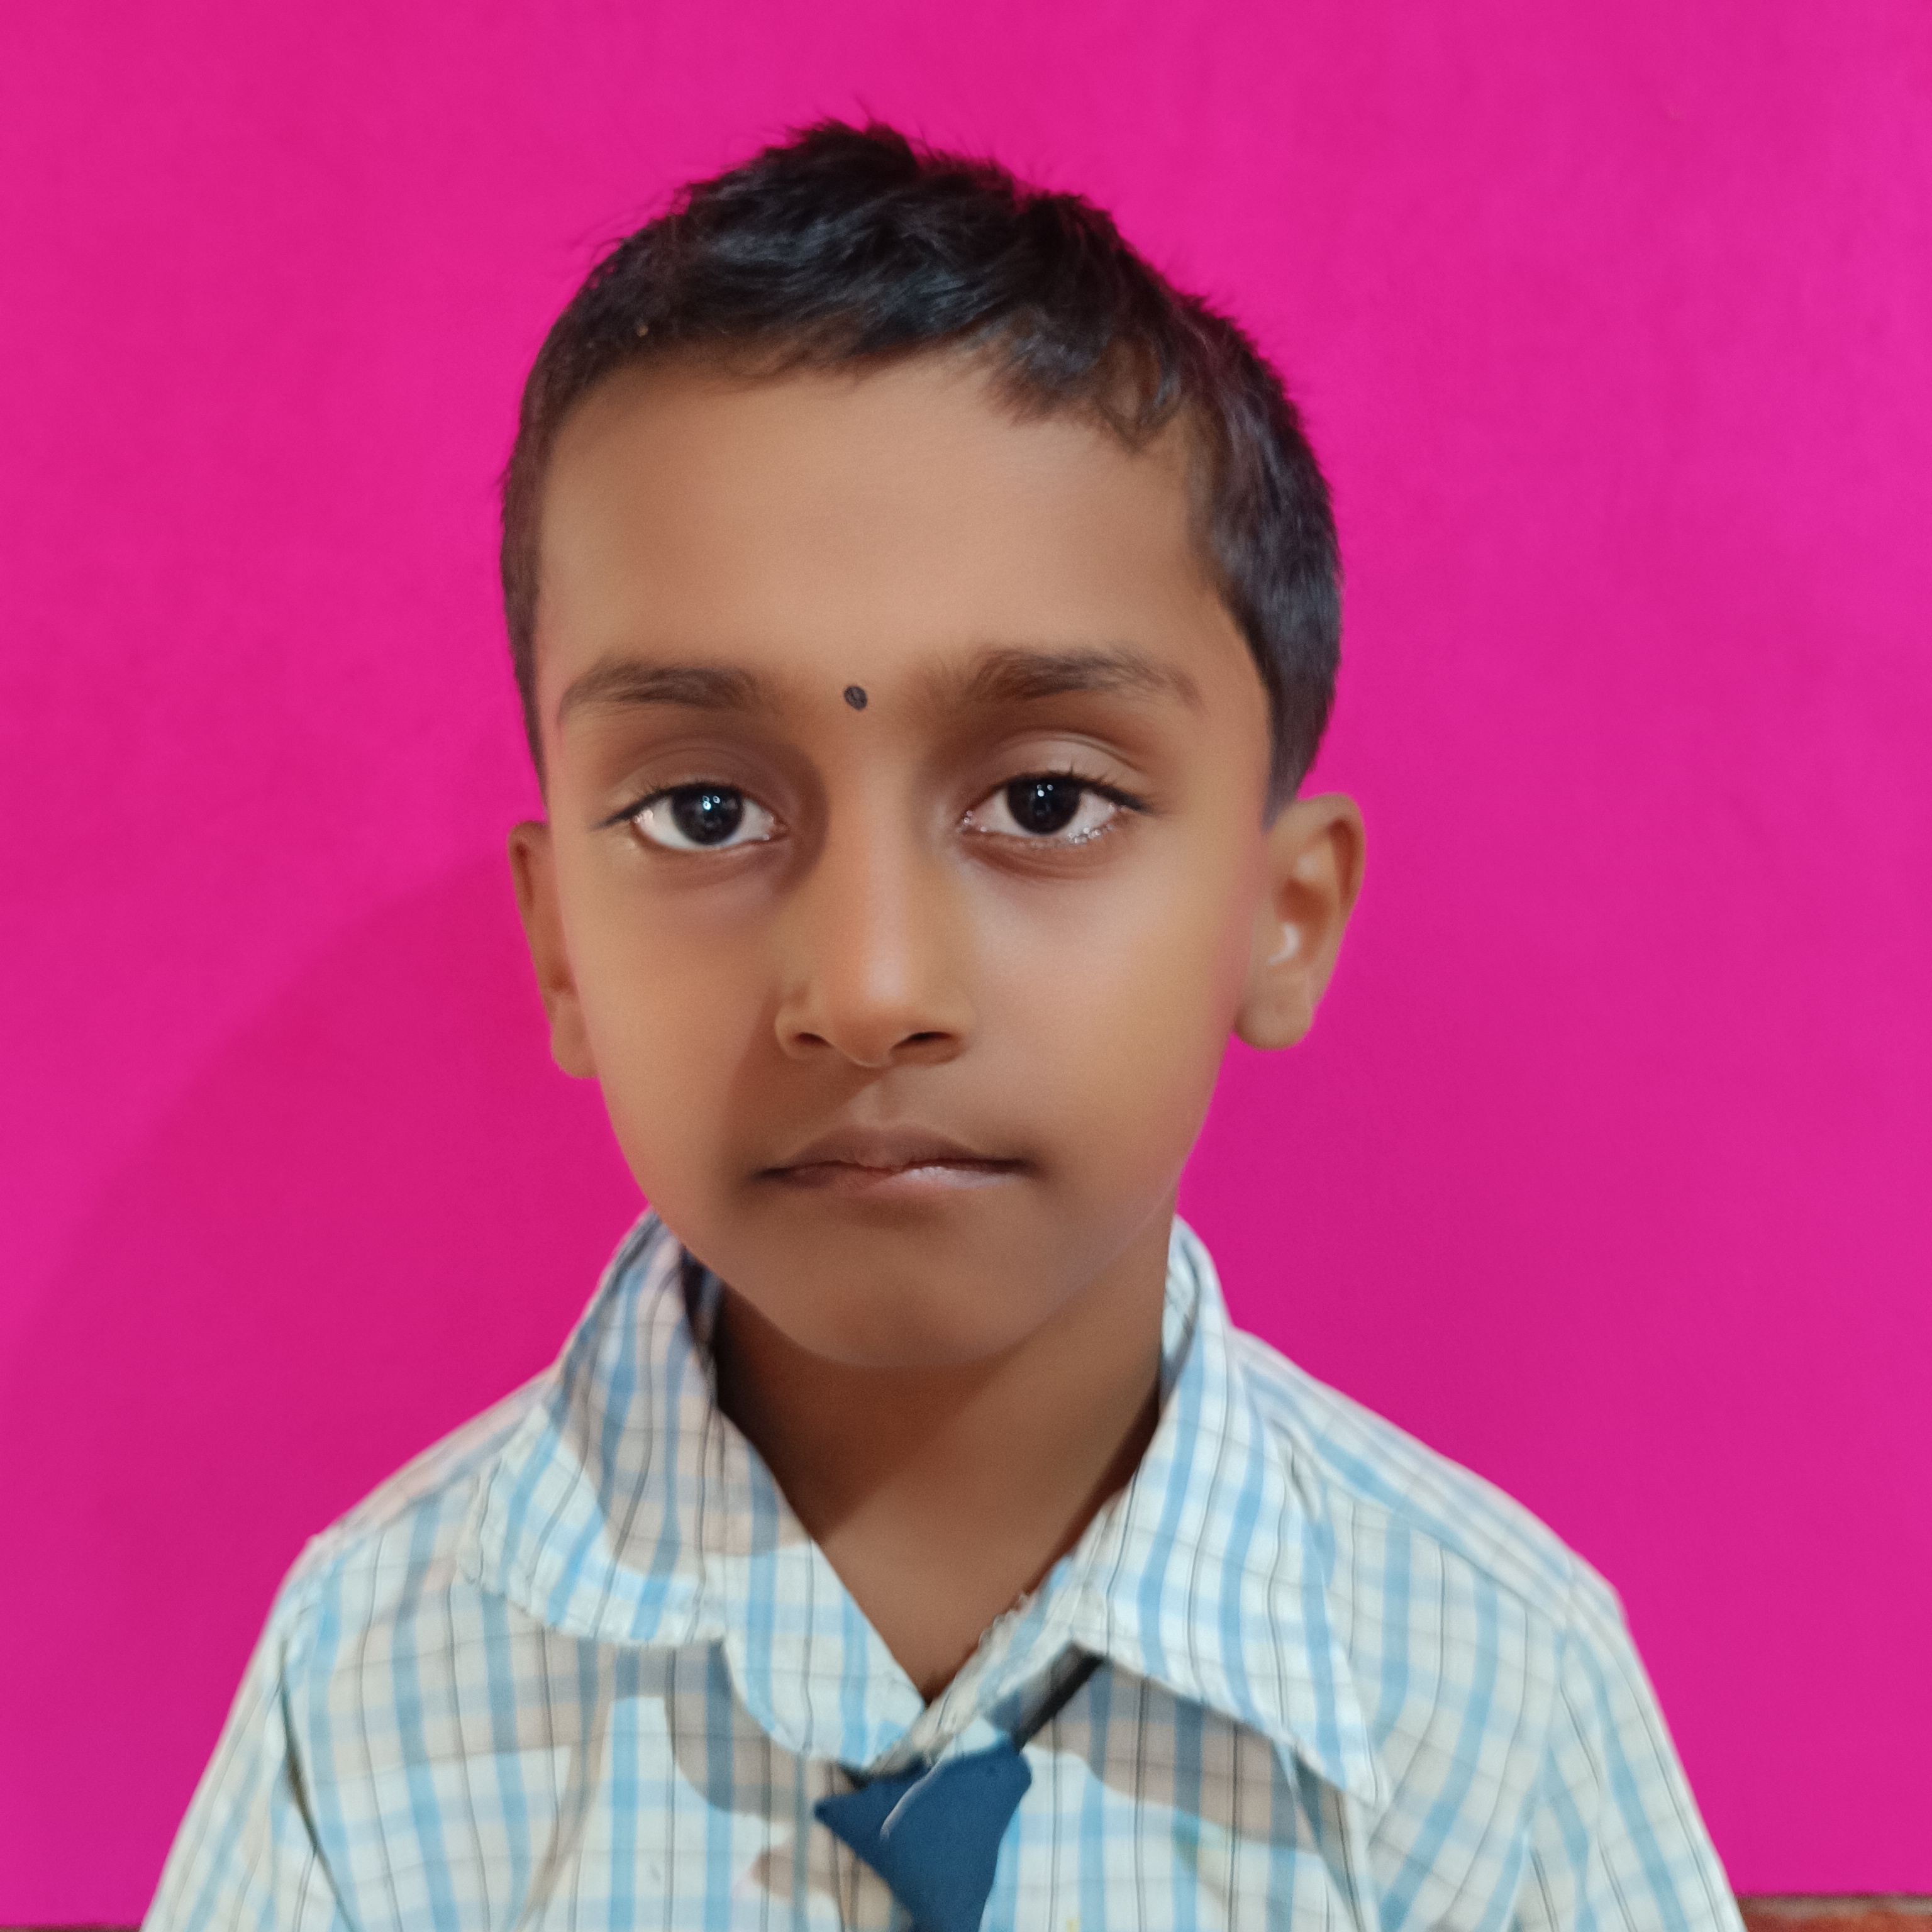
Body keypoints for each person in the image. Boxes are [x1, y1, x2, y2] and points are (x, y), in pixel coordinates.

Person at [144, 119, 1743, 1932]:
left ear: (1283, 917)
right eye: (704, 812)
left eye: (1047, 803)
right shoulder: (368, 1697)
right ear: (560, 944)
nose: (873, 991)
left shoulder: (1492, 1700)